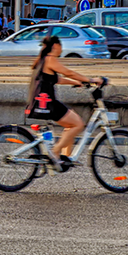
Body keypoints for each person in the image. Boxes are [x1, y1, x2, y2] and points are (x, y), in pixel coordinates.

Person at [27, 34, 100, 171]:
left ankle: (64, 160)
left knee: (70, 125)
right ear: (56, 46)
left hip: (42, 101)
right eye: (61, 46)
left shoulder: (43, 60)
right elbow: (68, 72)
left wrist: (77, 83)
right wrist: (91, 80)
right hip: (47, 102)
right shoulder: (50, 59)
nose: (62, 49)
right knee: (78, 124)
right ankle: (56, 151)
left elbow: (57, 79)